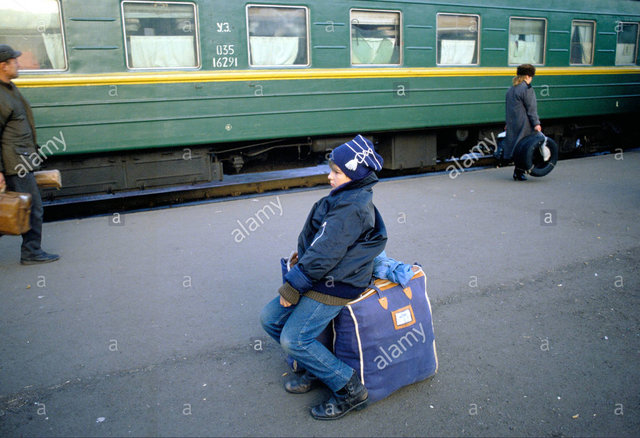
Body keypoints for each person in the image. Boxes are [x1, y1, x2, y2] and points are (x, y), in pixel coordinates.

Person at [260, 135, 387, 420]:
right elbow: (325, 242)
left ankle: (350, 389)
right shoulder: (348, 195)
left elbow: (327, 252)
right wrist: (303, 255)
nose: (329, 177)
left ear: (354, 174)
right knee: (270, 319)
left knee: (293, 340)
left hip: (337, 283)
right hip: (322, 273)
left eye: (336, 172)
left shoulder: (352, 206)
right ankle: (317, 367)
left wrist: (292, 287)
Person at [0, 45, 59, 264]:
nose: (19, 64)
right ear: (3, 66)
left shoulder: (9, 88)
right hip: (14, 162)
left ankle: (31, 250)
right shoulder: (1, 94)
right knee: (32, 206)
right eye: (14, 61)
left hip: (21, 158)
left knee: (13, 206)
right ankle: (32, 252)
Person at [505, 63, 542, 181]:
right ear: (527, 76)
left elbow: (508, 108)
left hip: (513, 122)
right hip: (524, 123)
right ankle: (520, 172)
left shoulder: (511, 89)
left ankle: (518, 172)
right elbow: (531, 108)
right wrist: (536, 123)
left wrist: (507, 123)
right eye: (531, 77)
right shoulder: (527, 89)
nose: (531, 80)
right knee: (526, 148)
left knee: (517, 147)